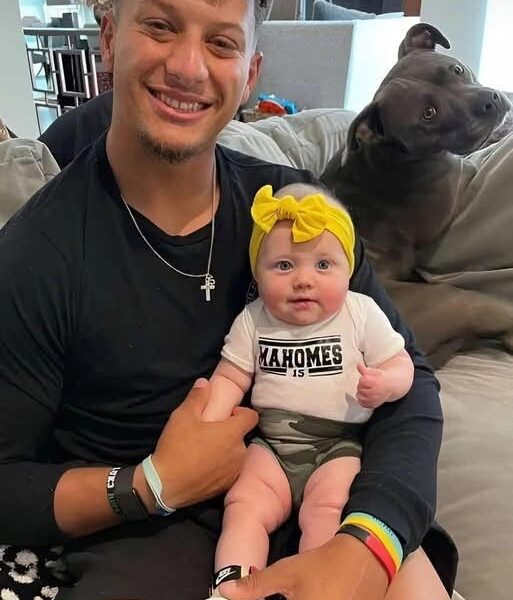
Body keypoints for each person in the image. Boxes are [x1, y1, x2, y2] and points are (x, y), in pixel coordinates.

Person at [0, 1, 455, 599]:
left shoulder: (296, 211)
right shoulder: (37, 253)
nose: (188, 67)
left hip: (338, 496)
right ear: (109, 39)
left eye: (221, 43)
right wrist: (149, 484)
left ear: (251, 73)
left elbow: (410, 383)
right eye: (160, 26)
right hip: (154, 538)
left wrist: (368, 546)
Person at [202, 183, 414, 599]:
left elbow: (402, 364)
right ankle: (231, 586)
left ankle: (315, 589)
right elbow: (230, 378)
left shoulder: (360, 312)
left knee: (328, 512)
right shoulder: (253, 320)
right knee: (243, 506)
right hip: (271, 446)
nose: (303, 280)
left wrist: (386, 384)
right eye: (283, 266)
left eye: (323, 265)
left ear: (348, 270)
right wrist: (209, 421)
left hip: (336, 446)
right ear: (258, 274)